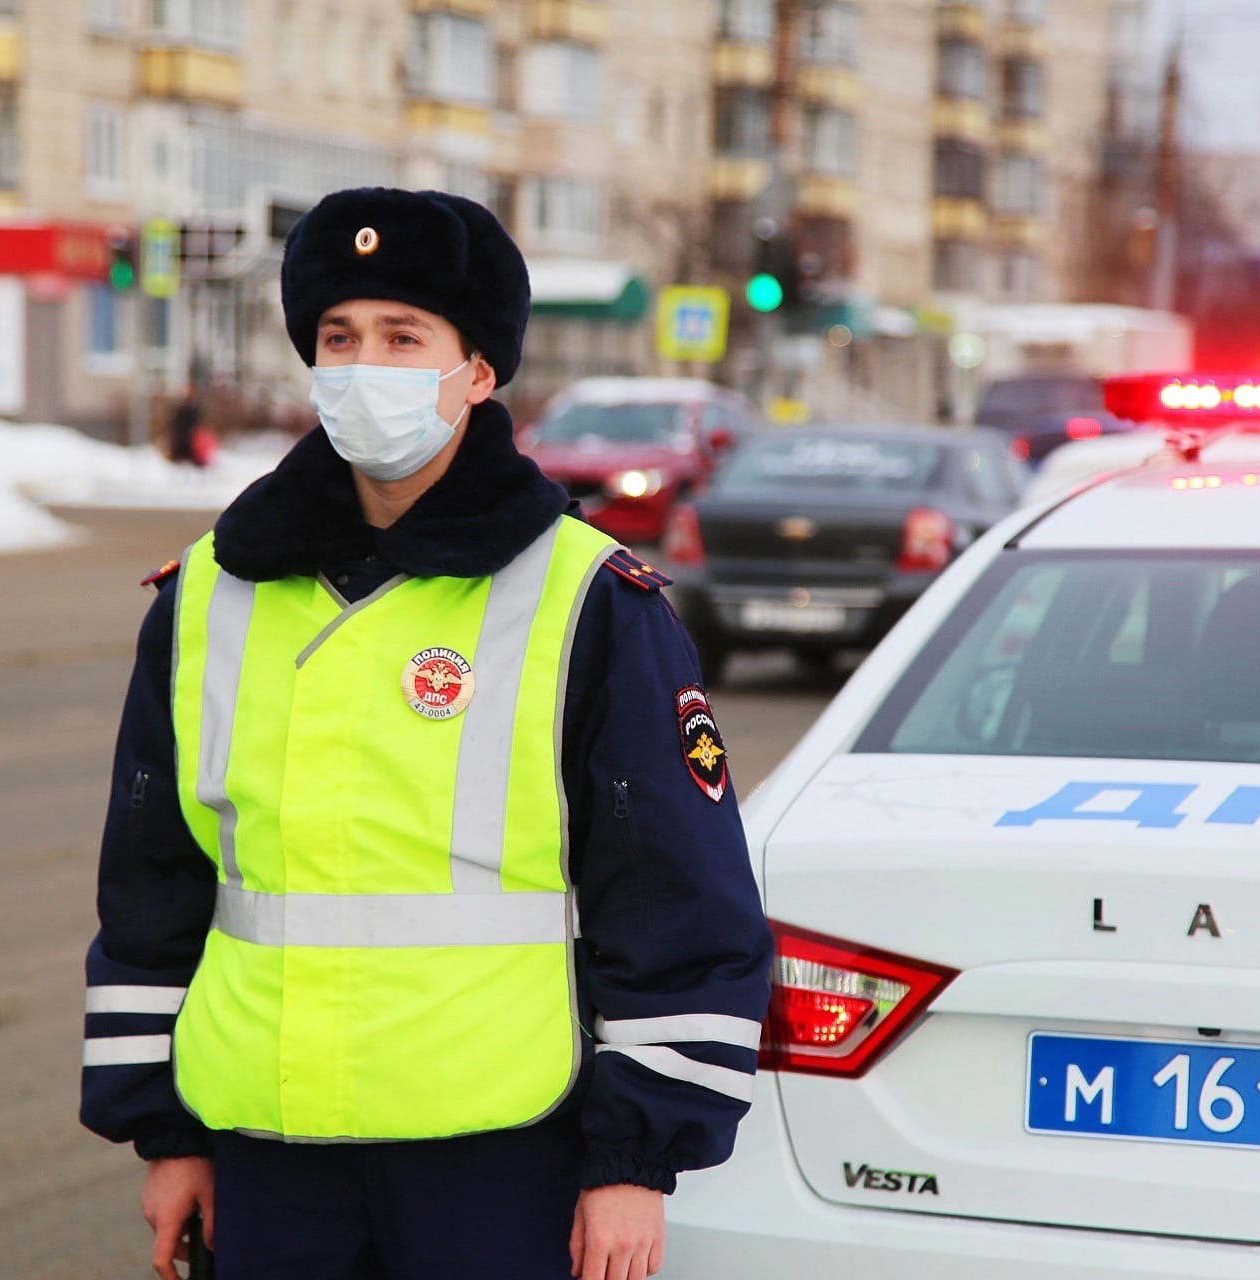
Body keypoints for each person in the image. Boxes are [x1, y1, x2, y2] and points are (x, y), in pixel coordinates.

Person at [80, 186, 773, 1280]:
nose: (366, 366)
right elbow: (155, 884)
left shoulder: (588, 599)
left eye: (405, 337)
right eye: (340, 338)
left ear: (479, 370)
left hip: (496, 1160)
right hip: (270, 1152)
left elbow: (675, 897)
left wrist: (635, 1158)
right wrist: (166, 1133)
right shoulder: (208, 592)